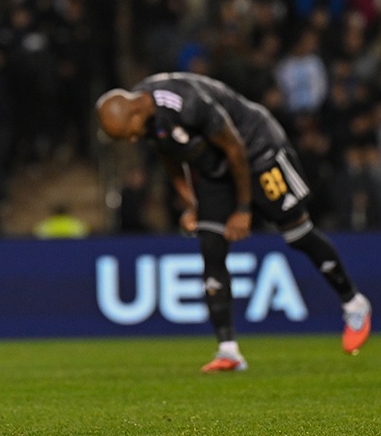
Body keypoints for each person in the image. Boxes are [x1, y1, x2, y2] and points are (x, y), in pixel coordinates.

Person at [96, 72, 371, 372]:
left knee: (298, 234)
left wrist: (242, 209)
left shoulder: (189, 103)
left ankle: (354, 304)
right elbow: (169, 155)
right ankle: (229, 351)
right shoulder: (145, 114)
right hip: (216, 165)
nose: (133, 139)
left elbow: (235, 147)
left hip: (257, 150)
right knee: (211, 245)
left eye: (129, 133)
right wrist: (191, 204)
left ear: (134, 110)